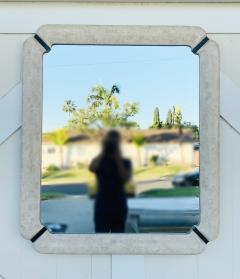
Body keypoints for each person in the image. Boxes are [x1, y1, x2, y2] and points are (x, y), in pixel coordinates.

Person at [89, 130, 132, 233]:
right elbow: (92, 168)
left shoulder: (125, 162)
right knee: (101, 238)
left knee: (118, 238)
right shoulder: (99, 161)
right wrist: (103, 152)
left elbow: (125, 178)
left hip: (119, 206)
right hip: (102, 206)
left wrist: (117, 159)